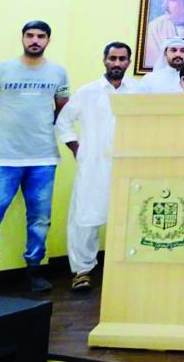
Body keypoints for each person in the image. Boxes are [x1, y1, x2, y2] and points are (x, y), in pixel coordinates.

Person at [0, 21, 69, 296]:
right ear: (22, 38)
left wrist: (43, 130)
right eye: (30, 35)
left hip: (43, 159)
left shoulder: (58, 71)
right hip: (3, 159)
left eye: (41, 36)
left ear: (48, 40)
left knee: (39, 218)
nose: (35, 40)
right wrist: (2, 132)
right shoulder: (2, 69)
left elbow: (63, 108)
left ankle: (34, 272)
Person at [56, 42, 138, 292]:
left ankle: (126, 269)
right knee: (85, 217)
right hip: (93, 164)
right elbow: (63, 122)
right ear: (104, 60)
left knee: (129, 216)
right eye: (112, 58)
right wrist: (76, 149)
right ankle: (82, 270)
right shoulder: (87, 92)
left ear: (129, 62)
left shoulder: (138, 90)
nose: (117, 63)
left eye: (122, 59)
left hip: (128, 163)